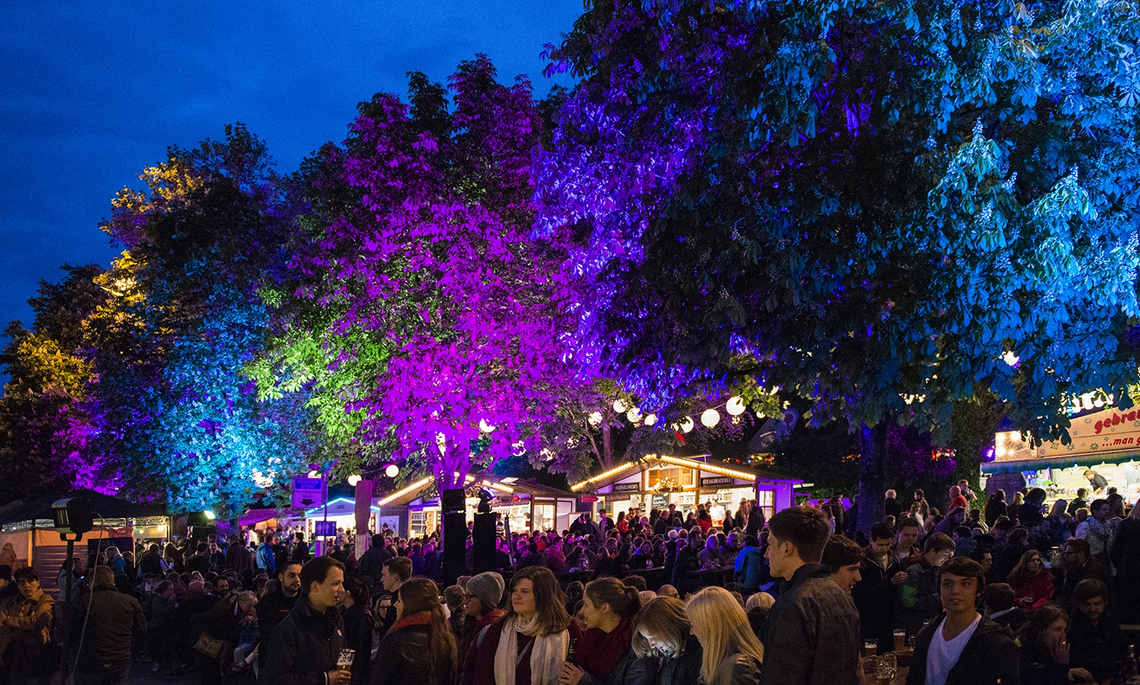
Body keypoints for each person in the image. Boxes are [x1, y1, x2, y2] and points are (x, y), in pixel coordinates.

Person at [758, 506, 860, 685]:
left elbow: (781, 677)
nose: (767, 553)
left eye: (770, 544)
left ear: (787, 548)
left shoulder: (792, 605)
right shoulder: (843, 598)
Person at [905, 557, 1018, 685]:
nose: (955, 591)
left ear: (978, 591)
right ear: (939, 590)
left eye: (965, 584)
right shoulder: (926, 634)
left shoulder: (997, 644)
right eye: (947, 584)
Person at [462, 566, 570, 685]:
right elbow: (483, 676)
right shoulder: (499, 628)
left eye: (524, 591)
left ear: (542, 595)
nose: (516, 596)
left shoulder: (563, 627)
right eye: (514, 590)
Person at [262, 556, 354, 685]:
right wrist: (324, 679)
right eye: (335, 583)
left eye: (341, 583)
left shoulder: (336, 619)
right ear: (315, 586)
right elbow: (276, 679)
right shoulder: (289, 629)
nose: (342, 590)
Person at [559, 577, 655, 685]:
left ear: (604, 608)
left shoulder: (638, 648)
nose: (582, 611)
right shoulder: (593, 639)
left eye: (586, 605)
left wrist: (583, 681)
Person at [370, 577, 457, 685]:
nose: (395, 605)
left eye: (399, 600)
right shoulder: (445, 638)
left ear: (410, 604)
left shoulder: (397, 641)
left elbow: (378, 680)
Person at [72, 565, 148, 685]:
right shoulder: (130, 602)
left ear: (93, 582)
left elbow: (71, 629)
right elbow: (141, 628)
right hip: (120, 658)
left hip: (92, 659)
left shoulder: (85, 601)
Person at [685, 587, 764, 685]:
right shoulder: (724, 663)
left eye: (694, 624)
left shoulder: (737, 668)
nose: (691, 632)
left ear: (711, 626)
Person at [853, 522, 907, 655]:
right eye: (881, 545)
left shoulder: (894, 560)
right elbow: (861, 594)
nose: (885, 548)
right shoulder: (863, 562)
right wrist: (889, 583)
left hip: (889, 620)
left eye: (888, 544)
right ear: (871, 540)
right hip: (869, 621)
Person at [0, 566, 54, 684]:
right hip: (14, 655)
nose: (27, 585)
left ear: (37, 582)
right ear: (18, 585)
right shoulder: (11, 602)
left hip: (36, 654)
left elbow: (38, 621)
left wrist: (12, 621)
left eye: (30, 581)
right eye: (22, 582)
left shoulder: (44, 600)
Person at [1067, 579, 1128, 683]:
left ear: (1105, 602)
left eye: (1097, 603)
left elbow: (1121, 650)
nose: (1092, 608)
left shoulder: (1110, 622)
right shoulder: (1070, 628)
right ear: (1078, 604)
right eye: (1087, 604)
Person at [630, 596, 702, 685]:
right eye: (647, 638)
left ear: (670, 628)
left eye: (653, 637)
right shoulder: (670, 653)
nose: (651, 645)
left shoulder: (696, 655)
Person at [897, 533, 954, 637]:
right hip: (914, 628)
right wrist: (939, 598)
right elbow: (908, 601)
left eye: (950, 555)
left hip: (930, 626)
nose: (947, 558)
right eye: (945, 554)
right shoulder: (914, 571)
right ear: (932, 551)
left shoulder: (938, 570)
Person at [1017, 603, 1085, 685]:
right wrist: (1061, 665)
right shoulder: (1024, 653)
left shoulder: (1054, 650)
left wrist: (1069, 671)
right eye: (1057, 629)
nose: (1063, 635)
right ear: (1042, 630)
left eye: (1064, 630)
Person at [257, 560, 303, 670]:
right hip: (274, 658)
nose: (296, 579)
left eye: (299, 576)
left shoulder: (307, 601)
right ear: (281, 577)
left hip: (299, 660)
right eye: (291, 575)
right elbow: (269, 631)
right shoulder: (268, 602)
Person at [458, 571, 506, 666]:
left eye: (469, 596)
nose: (464, 601)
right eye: (464, 596)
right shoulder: (473, 624)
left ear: (484, 600)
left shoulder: (493, 630)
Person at [1110, 497, 1140, 621]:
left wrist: (1122, 565)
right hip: (1128, 570)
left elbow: (1114, 550)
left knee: (1128, 610)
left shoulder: (1126, 524)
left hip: (1128, 572)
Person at [1055, 538, 1110, 606]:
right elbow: (1066, 592)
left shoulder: (1094, 569)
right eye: (1065, 553)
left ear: (1081, 553)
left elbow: (1082, 593)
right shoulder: (1073, 566)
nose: (1065, 556)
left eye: (1069, 553)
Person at [342, 577, 373, 685]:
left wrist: (356, 678)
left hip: (355, 673)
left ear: (346, 593)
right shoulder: (345, 613)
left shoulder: (361, 615)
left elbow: (362, 649)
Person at [377, 556, 413, 636]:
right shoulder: (407, 599)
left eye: (384, 575)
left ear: (394, 577)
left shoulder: (400, 604)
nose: (381, 579)